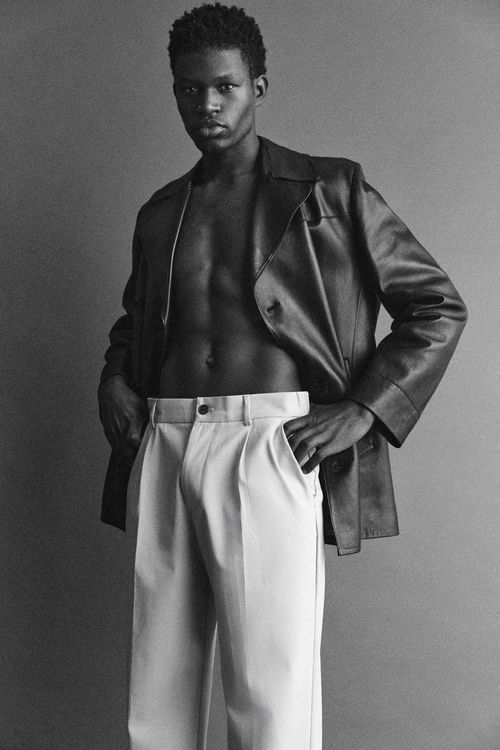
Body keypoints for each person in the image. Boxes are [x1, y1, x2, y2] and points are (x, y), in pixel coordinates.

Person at [98, 4, 467, 749]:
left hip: (269, 442)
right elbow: (139, 322)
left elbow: (437, 306)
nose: (207, 105)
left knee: (272, 685)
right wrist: (113, 376)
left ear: (258, 87)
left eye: (225, 87)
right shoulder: (161, 212)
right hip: (165, 442)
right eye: (190, 89)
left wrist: (365, 408)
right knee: (156, 687)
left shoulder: (328, 191)